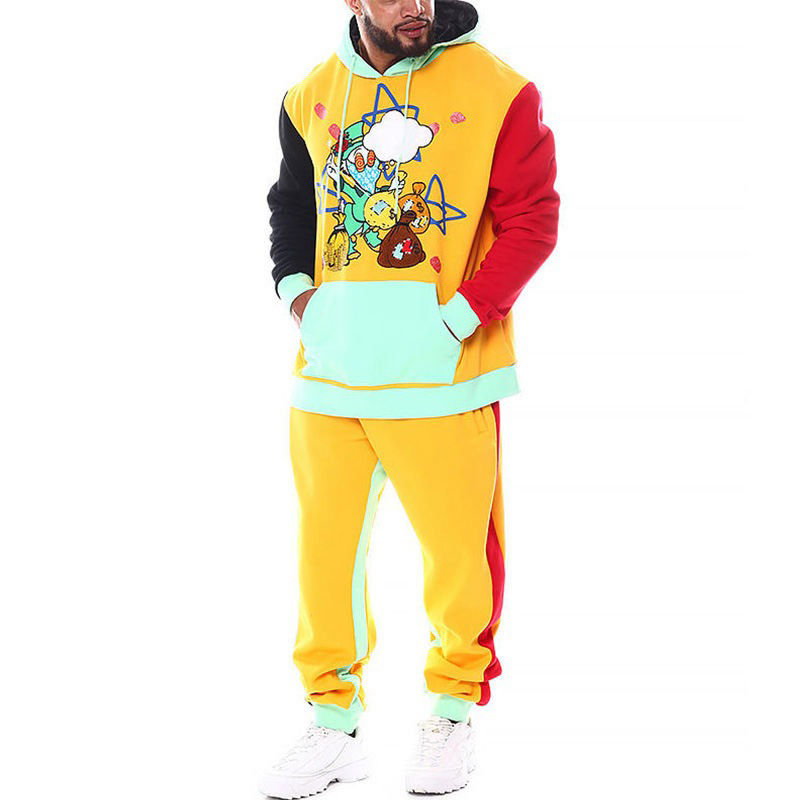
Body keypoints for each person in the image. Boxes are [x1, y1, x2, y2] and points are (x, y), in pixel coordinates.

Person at [259, 0, 559, 795]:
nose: (415, 5)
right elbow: (292, 205)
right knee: (324, 558)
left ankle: (451, 714)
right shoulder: (307, 95)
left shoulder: (501, 89)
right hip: (330, 376)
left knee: (459, 558)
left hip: (447, 372)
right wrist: (299, 297)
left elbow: (533, 219)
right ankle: (333, 725)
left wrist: (459, 317)